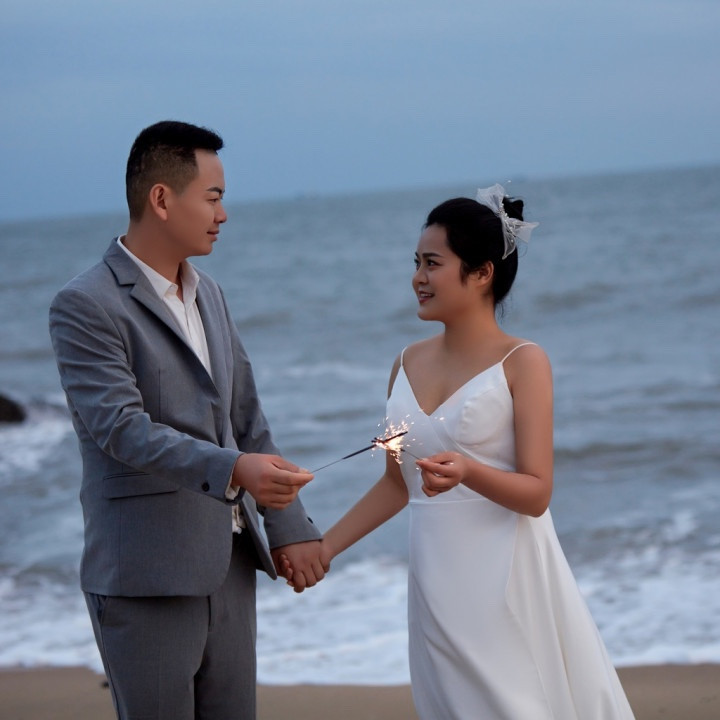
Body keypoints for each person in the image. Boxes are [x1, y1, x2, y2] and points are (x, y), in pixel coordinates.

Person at [283, 185, 635, 718]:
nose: (417, 278)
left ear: (482, 273)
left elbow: (537, 493)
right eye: (416, 263)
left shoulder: (524, 361)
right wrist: (325, 548)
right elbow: (395, 485)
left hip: (505, 579)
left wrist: (469, 470)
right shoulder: (405, 364)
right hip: (435, 582)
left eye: (432, 263)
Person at [49, 120, 327, 720]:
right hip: (144, 575)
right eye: (213, 197)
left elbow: (246, 417)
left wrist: (290, 525)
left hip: (230, 566)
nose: (223, 214)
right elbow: (120, 428)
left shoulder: (210, 294)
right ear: (161, 198)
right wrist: (236, 469)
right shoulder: (85, 304)